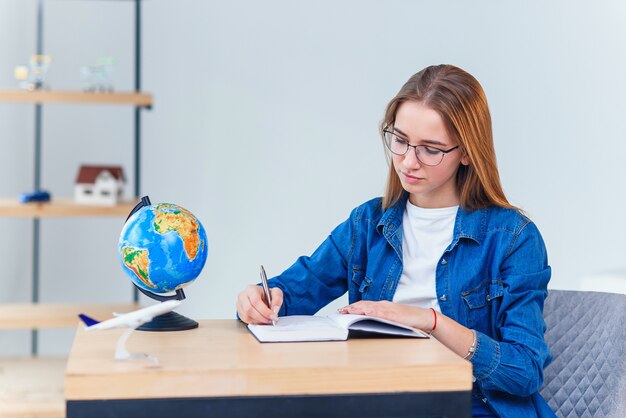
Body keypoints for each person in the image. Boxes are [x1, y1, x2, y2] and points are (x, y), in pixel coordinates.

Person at [236, 64, 555, 417]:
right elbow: (295, 291)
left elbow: (525, 371)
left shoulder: (513, 238)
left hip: (472, 405)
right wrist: (258, 300)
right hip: (380, 399)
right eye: (400, 140)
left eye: (430, 150)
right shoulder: (367, 223)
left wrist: (431, 321)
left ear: (466, 152)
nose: (407, 161)